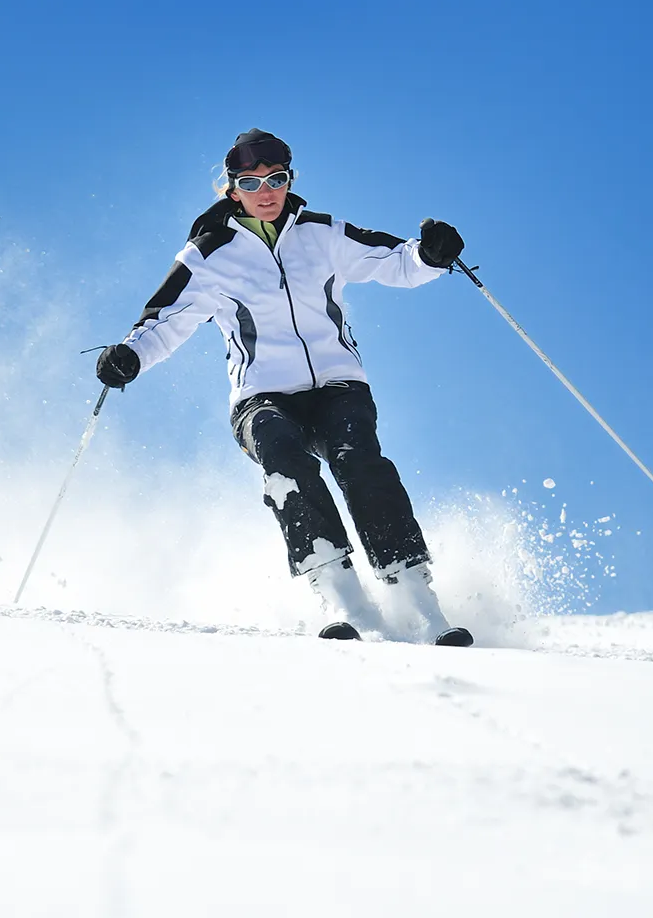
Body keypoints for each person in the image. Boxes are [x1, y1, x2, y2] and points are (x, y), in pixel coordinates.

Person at [95, 129, 471, 646]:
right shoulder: (208, 255)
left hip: (338, 385)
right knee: (284, 456)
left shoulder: (323, 233)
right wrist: (130, 355)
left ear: (289, 180)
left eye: (276, 179)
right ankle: (344, 598)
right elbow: (166, 319)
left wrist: (431, 254)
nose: (266, 191)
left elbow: (395, 260)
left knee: (359, 461)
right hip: (262, 396)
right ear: (232, 190)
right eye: (251, 182)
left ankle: (418, 600)